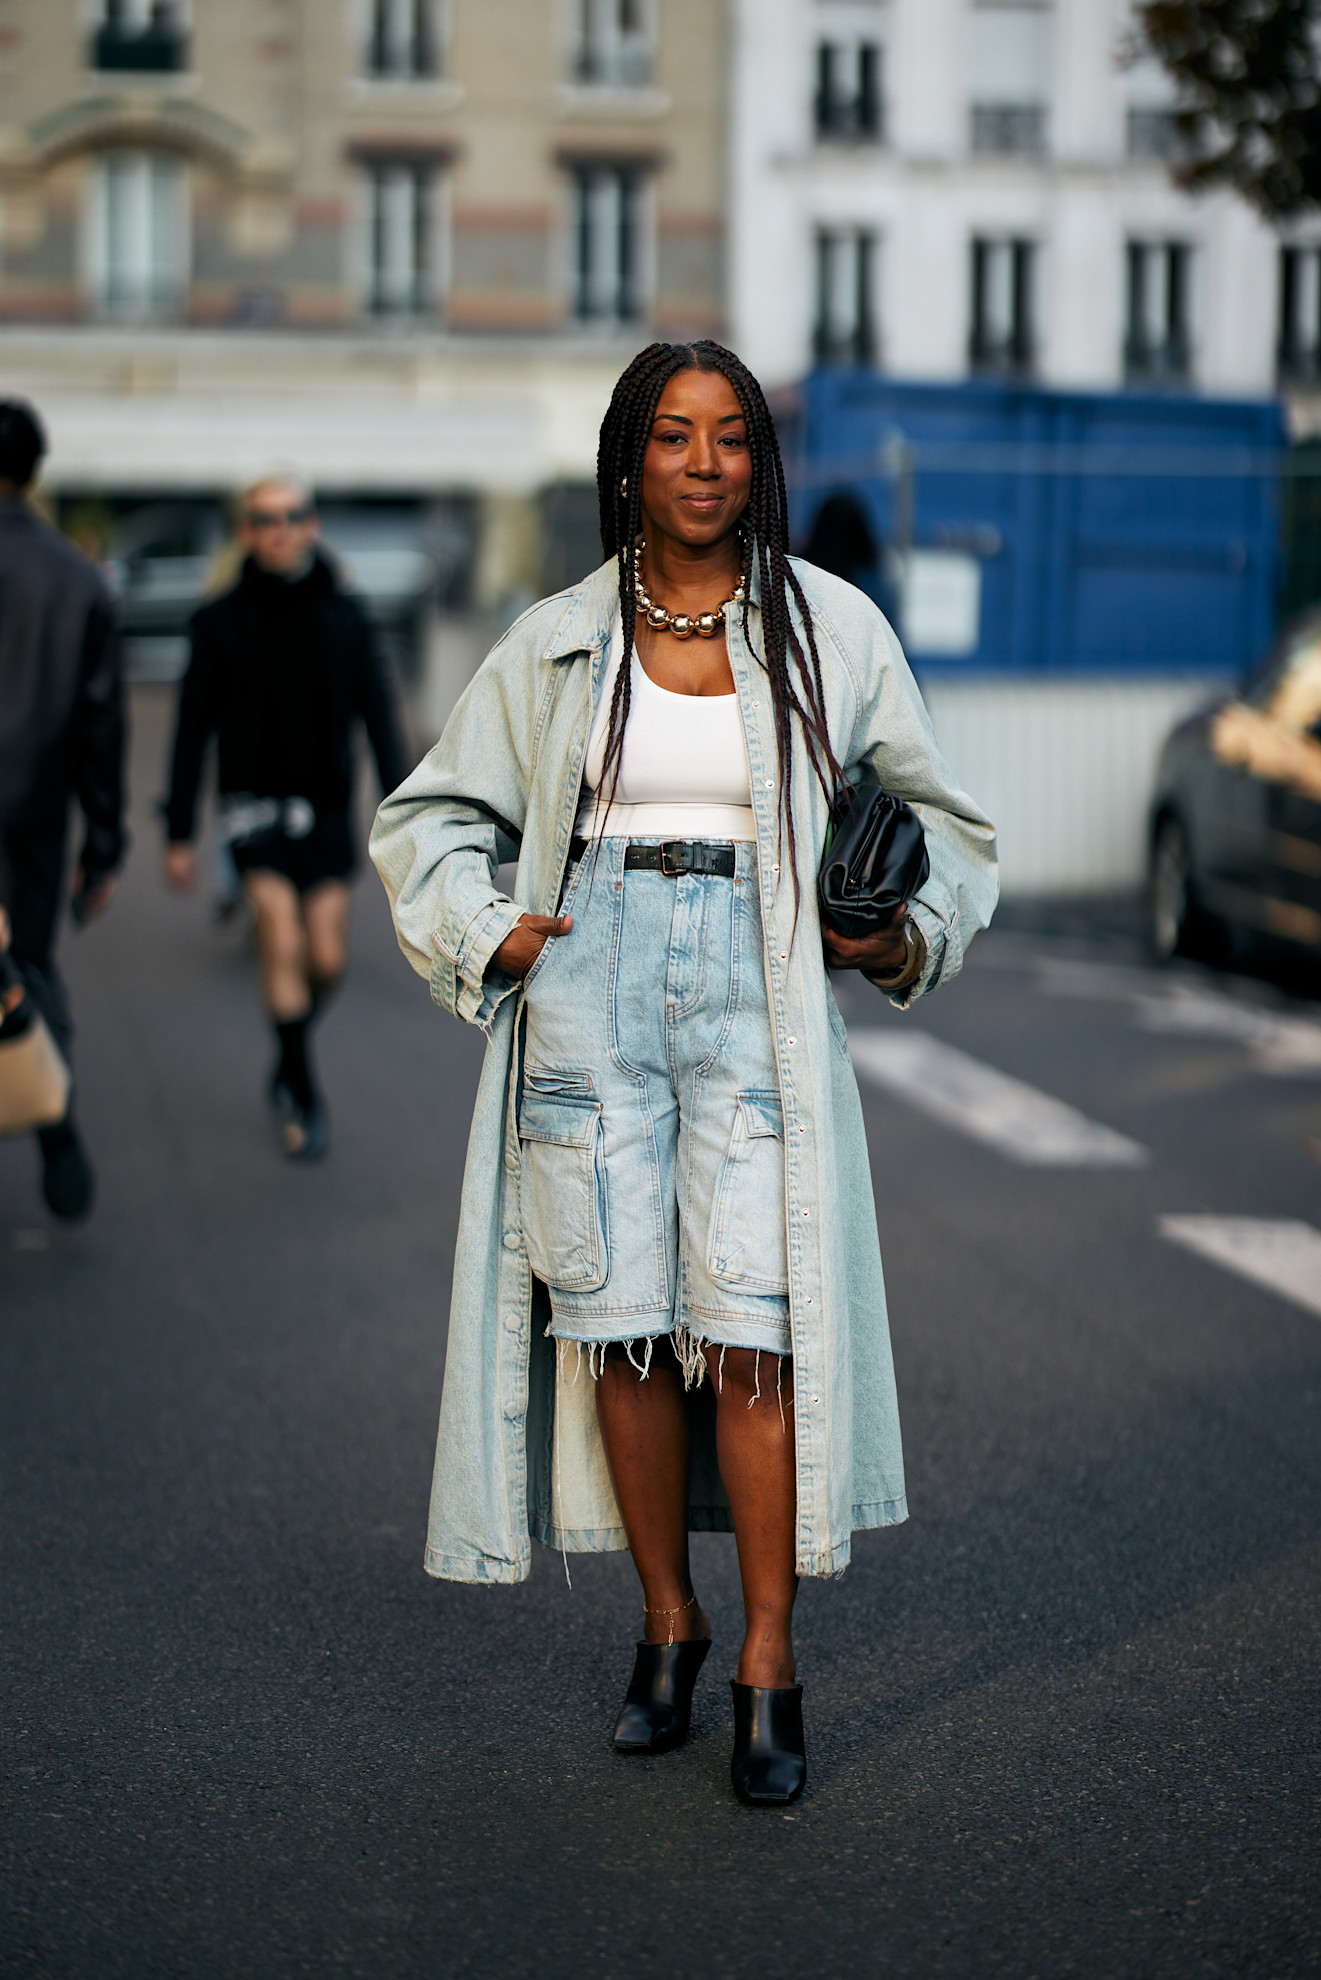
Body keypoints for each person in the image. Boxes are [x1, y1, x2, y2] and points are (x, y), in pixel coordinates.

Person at [371, 342, 997, 1806]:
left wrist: (896, 932)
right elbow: (427, 817)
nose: (705, 460)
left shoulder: (830, 631)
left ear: (758, 461)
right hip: (587, 981)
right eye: (673, 434)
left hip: (758, 994)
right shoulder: (553, 641)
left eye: (730, 436)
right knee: (625, 1332)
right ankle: (670, 1626)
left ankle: (770, 1663)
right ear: (629, 459)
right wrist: (489, 928)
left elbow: (946, 825)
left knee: (756, 1334)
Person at [163, 477, 409, 1159]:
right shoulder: (218, 621)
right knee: (279, 929)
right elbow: (190, 730)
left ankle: (287, 1050)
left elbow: (380, 719)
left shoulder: (348, 618)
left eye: (292, 516)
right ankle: (304, 1093)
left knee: (326, 958)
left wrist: (409, 811)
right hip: (251, 812)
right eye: (265, 519)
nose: (279, 529)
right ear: (247, 531)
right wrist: (179, 831)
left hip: (326, 812)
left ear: (312, 525)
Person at [0, 399, 125, 1220]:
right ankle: (52, 1122)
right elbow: (100, 720)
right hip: (29, 815)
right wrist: (105, 841)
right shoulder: (78, 581)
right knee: (27, 965)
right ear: (35, 470)